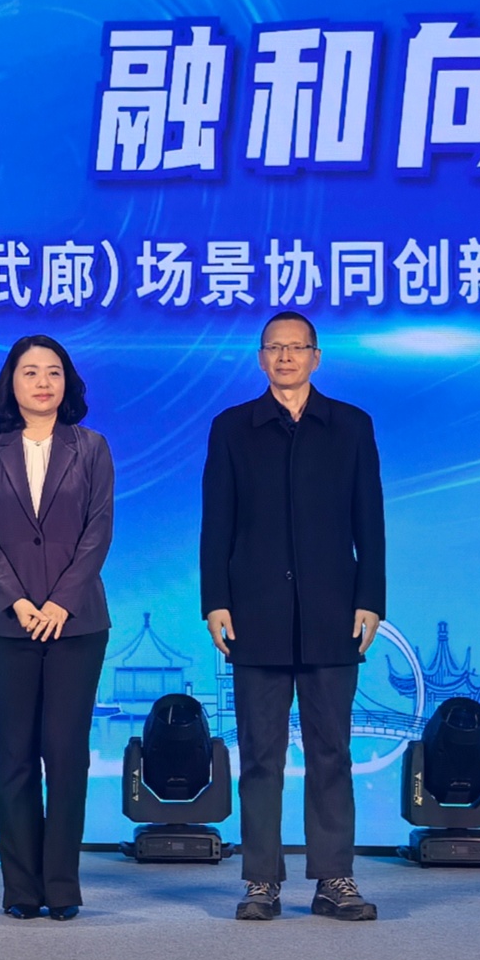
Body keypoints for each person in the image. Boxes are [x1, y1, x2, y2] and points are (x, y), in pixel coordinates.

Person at [200, 310, 385, 922]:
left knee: (332, 751)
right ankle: (261, 881)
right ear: (260, 358)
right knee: (261, 756)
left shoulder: (351, 425)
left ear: (316, 356)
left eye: (296, 347)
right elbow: (216, 522)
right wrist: (215, 599)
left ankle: (334, 879)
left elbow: (369, 520)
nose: (285, 357)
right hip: (255, 613)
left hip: (334, 612)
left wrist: (371, 598)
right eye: (274, 348)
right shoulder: (233, 427)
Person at [0, 335, 115, 922]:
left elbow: (98, 531)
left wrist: (59, 604)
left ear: (67, 382)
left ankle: (63, 887)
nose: (43, 382)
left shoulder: (92, 448)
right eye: (30, 372)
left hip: (78, 624)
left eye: (54, 371)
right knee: (16, 757)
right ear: (11, 383)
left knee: (67, 756)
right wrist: (20, 602)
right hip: (9, 624)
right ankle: (21, 889)